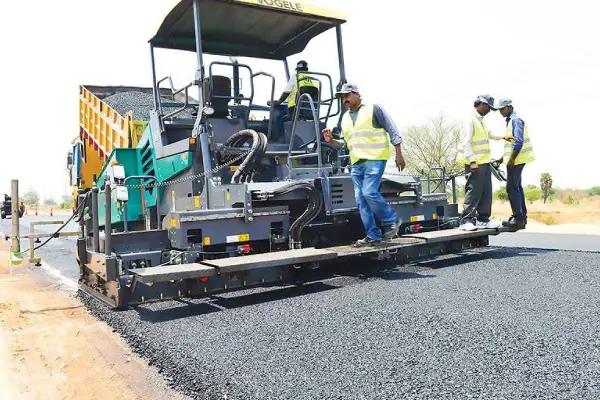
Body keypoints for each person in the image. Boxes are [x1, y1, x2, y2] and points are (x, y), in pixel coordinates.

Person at [323, 83, 405, 247]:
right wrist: (331, 141)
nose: (344, 99)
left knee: (369, 192)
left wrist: (398, 153)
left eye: (347, 95)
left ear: (357, 94)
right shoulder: (345, 118)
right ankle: (373, 235)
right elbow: (345, 145)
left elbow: (392, 129)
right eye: (342, 97)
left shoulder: (373, 108)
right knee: (361, 200)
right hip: (357, 163)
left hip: (375, 159)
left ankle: (393, 221)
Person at [459, 94, 513, 231]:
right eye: (489, 108)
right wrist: (472, 161)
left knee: (486, 191)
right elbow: (466, 143)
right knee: (474, 191)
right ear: (482, 104)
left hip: (484, 162)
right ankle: (466, 220)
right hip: (475, 163)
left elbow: (488, 134)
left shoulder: (481, 120)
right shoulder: (470, 119)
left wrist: (503, 136)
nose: (490, 111)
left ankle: (483, 219)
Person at [496, 98, 535, 229]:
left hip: (517, 160)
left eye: (502, 109)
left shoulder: (515, 120)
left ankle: (518, 218)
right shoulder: (510, 121)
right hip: (515, 159)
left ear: (510, 107)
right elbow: (512, 144)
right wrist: (503, 158)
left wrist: (512, 158)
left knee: (512, 187)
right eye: (499, 109)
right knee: (517, 187)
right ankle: (521, 217)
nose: (500, 111)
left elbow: (518, 142)